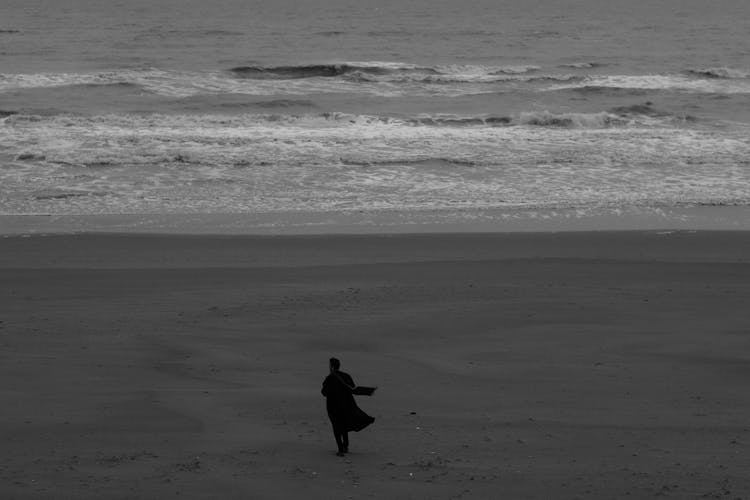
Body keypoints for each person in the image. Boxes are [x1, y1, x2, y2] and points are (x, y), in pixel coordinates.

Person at [321, 357, 376, 456]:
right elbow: (353, 390)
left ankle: (341, 449)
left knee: (336, 427)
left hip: (333, 407)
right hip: (345, 405)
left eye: (329, 365)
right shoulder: (346, 376)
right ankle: (345, 445)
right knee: (343, 424)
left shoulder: (329, 378)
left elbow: (323, 393)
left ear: (332, 367)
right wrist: (368, 391)